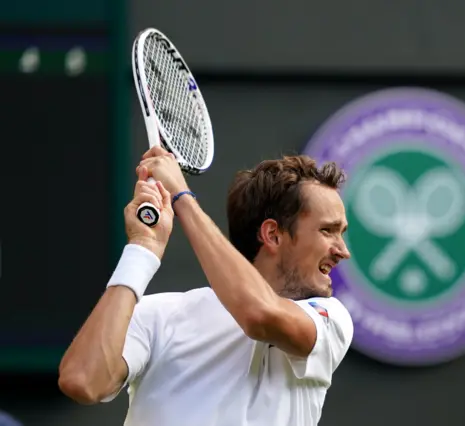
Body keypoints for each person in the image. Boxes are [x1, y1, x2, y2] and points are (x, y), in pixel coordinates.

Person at [58, 146, 353, 426]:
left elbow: (260, 315)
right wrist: (142, 248)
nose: (343, 250)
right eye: (327, 231)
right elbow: (82, 380)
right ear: (273, 235)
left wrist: (182, 198)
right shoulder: (159, 315)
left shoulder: (330, 319)